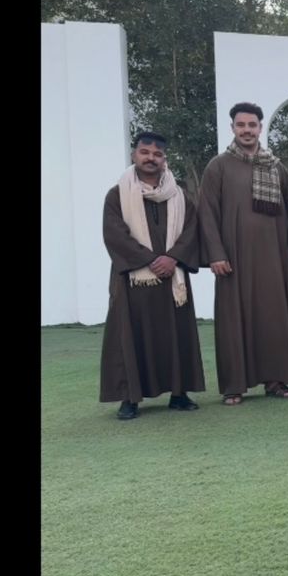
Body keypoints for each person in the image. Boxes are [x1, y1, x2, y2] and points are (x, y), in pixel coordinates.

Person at [198, 102, 288, 405]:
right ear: (232, 128)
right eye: (241, 125)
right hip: (234, 258)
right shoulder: (218, 166)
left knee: (274, 318)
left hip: (275, 257)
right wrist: (216, 254)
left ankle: (276, 380)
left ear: (260, 128)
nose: (247, 130)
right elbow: (207, 213)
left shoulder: (275, 166)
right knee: (234, 319)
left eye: (252, 125)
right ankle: (234, 385)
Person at [99, 131, 207, 420]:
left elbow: (191, 230)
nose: (151, 158)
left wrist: (173, 258)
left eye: (157, 154)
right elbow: (115, 235)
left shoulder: (179, 195)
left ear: (164, 159)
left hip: (173, 279)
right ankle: (130, 398)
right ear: (134, 155)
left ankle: (179, 394)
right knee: (130, 336)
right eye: (145, 152)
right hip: (133, 281)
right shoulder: (118, 195)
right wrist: (150, 260)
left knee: (176, 335)